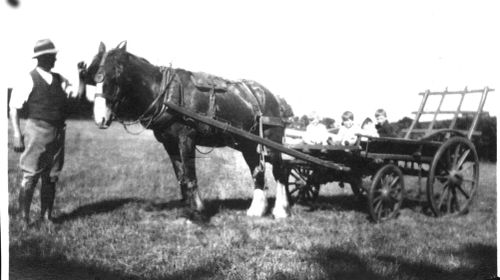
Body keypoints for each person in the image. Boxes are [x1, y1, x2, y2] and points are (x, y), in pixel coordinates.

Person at [9, 39, 86, 224]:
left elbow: (78, 100)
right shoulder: (28, 78)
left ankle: (46, 217)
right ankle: (23, 219)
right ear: (43, 57)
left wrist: (81, 77)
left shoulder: (60, 79)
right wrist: (17, 135)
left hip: (58, 132)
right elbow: (14, 107)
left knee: (51, 177)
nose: (55, 59)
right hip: (36, 131)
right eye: (52, 56)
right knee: (30, 175)